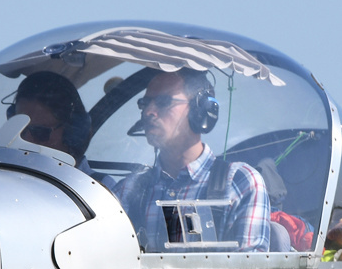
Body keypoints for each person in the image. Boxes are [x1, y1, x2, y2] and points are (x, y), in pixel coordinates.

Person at [113, 69, 270, 252]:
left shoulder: (240, 182)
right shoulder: (128, 191)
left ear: (199, 111)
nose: (148, 112)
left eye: (164, 102)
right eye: (145, 104)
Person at [9, 71, 94, 171]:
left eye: (40, 132)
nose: (26, 140)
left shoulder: (101, 186)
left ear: (72, 133)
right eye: (20, 131)